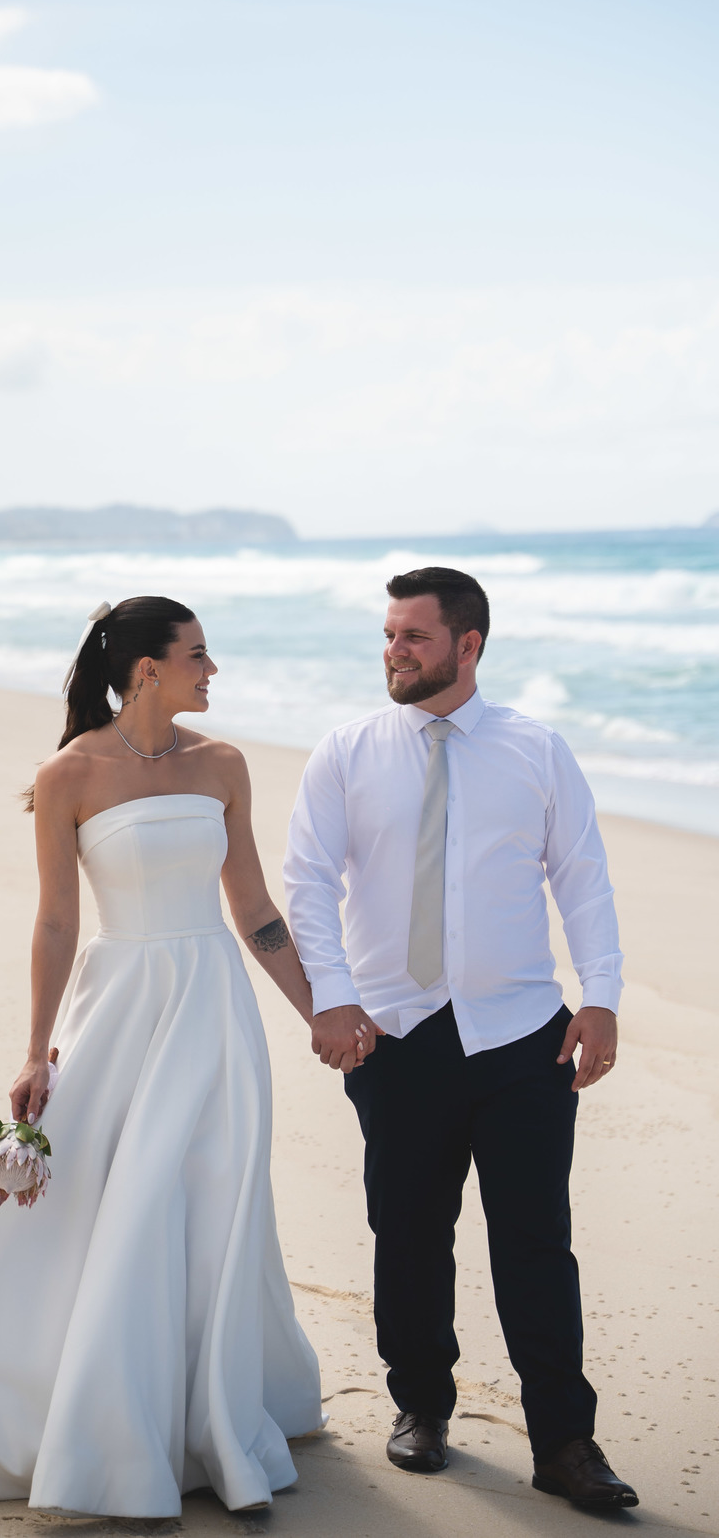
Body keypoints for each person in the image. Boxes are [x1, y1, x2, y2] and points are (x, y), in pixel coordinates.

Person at [0, 596, 324, 1516]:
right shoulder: (68, 775)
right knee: (120, 1202)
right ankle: (112, 1438)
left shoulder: (225, 764)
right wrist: (36, 1051)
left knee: (215, 1195)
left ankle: (209, 1419)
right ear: (148, 669)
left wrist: (320, 1012)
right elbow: (54, 921)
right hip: (117, 1009)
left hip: (214, 1008)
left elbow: (252, 905)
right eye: (198, 654)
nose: (213, 670)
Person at [283, 565, 638, 1510]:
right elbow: (309, 882)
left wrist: (599, 997)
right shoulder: (349, 752)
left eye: (415, 638)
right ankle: (422, 1407)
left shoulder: (536, 750)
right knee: (405, 1234)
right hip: (395, 1038)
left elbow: (583, 877)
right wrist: (334, 998)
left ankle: (565, 1442)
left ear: (469, 645)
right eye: (390, 635)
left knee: (534, 1243)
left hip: (525, 1039)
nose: (394, 652)